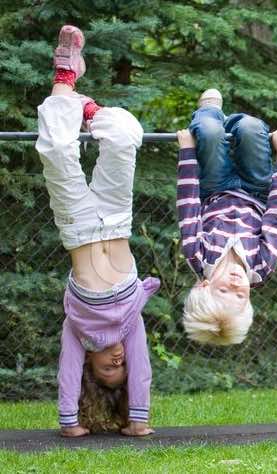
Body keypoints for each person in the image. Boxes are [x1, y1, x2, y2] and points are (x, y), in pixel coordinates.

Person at [35, 25, 159, 437]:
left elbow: (66, 372)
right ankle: (85, 110)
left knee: (56, 151)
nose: (120, 358)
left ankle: (66, 79)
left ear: (91, 364)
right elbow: (141, 370)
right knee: (125, 136)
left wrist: (69, 423)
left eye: (110, 366)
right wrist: (137, 419)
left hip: (78, 230)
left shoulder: (77, 330)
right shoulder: (131, 324)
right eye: (121, 364)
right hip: (116, 221)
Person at [175, 89, 277, 346]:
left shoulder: (197, 256)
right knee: (251, 128)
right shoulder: (261, 267)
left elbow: (187, 205)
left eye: (223, 291)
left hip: (213, 188)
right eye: (240, 296)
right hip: (256, 189)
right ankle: (234, 124)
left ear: (203, 287)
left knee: (208, 132)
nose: (235, 284)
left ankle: (210, 113)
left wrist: (187, 152)